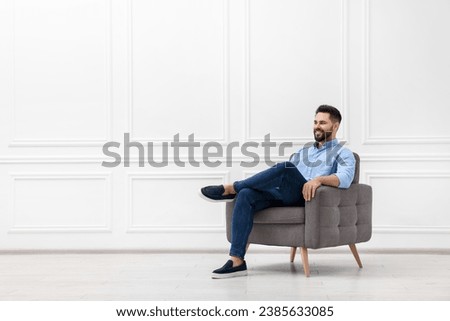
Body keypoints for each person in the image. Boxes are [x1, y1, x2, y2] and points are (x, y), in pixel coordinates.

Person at [199, 105, 355, 278]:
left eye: (323, 123)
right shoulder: (304, 152)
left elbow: (345, 178)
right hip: (283, 194)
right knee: (246, 195)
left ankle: (232, 188)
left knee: (285, 167)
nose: (317, 126)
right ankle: (237, 261)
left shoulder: (343, 153)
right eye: (315, 122)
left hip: (308, 198)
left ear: (335, 126)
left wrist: (318, 180)